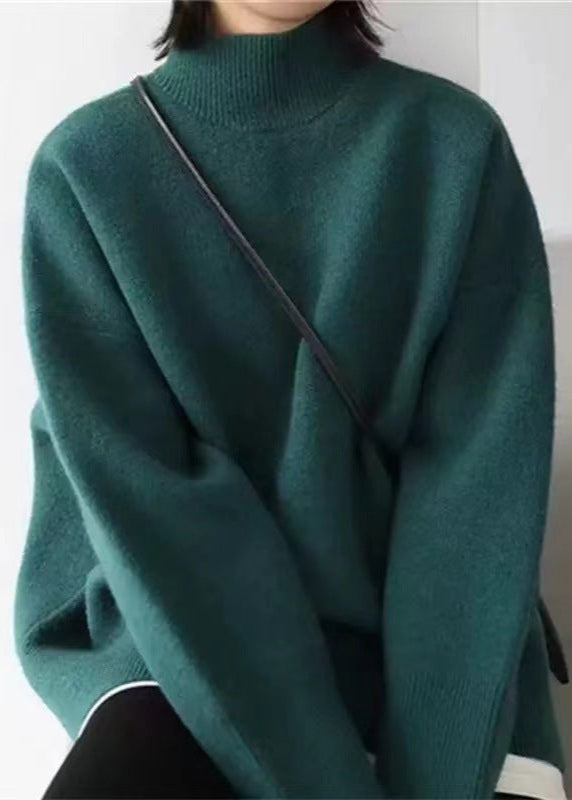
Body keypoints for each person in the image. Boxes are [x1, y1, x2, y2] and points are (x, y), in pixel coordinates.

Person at [13, 0, 568, 798]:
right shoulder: (87, 173)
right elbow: (161, 527)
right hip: (183, 672)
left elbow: (475, 509)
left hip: (445, 675)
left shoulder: (454, 148)